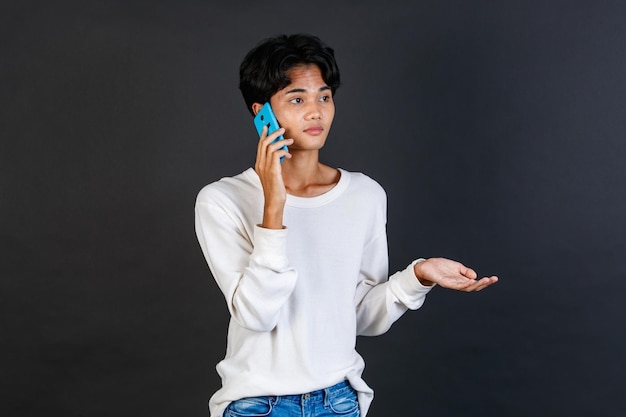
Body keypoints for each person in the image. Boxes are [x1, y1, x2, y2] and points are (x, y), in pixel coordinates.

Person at [194, 33, 498, 417]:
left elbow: (361, 315)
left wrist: (419, 275)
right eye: (297, 99)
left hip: (339, 401)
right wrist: (274, 206)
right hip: (259, 404)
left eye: (324, 96)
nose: (316, 112)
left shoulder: (364, 195)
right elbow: (256, 315)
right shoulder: (222, 200)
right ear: (261, 113)